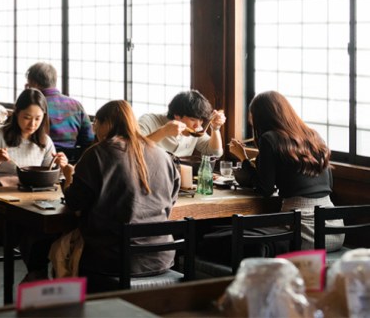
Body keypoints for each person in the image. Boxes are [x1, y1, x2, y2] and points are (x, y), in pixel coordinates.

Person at [60, 100, 179, 289]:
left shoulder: (96, 154)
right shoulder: (163, 155)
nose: (94, 130)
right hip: (160, 258)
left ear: (105, 124)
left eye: (95, 124)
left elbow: (75, 202)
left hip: (112, 258)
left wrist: (68, 179)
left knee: (59, 251)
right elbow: (171, 201)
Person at [0, 88, 68, 279]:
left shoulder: (45, 141)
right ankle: (37, 274)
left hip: (31, 203)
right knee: (31, 228)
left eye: (38, 118)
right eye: (27, 117)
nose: (32, 124)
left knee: (49, 228)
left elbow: (50, 179)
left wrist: (60, 167)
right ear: (16, 114)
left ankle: (37, 275)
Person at [229, 91, 344, 251]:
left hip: (304, 233)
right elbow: (327, 184)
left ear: (261, 116)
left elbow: (265, 190)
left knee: (233, 236)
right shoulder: (313, 135)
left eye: (251, 114)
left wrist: (243, 158)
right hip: (335, 230)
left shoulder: (269, 138)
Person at [25, 62, 94, 160]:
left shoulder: (33, 106)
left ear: (34, 83)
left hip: (39, 161)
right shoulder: (76, 105)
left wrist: (27, 96)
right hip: (70, 161)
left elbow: (19, 136)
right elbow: (89, 139)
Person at [138, 90, 225, 159]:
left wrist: (215, 129)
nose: (197, 125)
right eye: (192, 119)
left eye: (201, 120)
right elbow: (133, 149)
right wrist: (163, 131)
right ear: (177, 115)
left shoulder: (196, 129)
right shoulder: (148, 121)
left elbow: (215, 153)